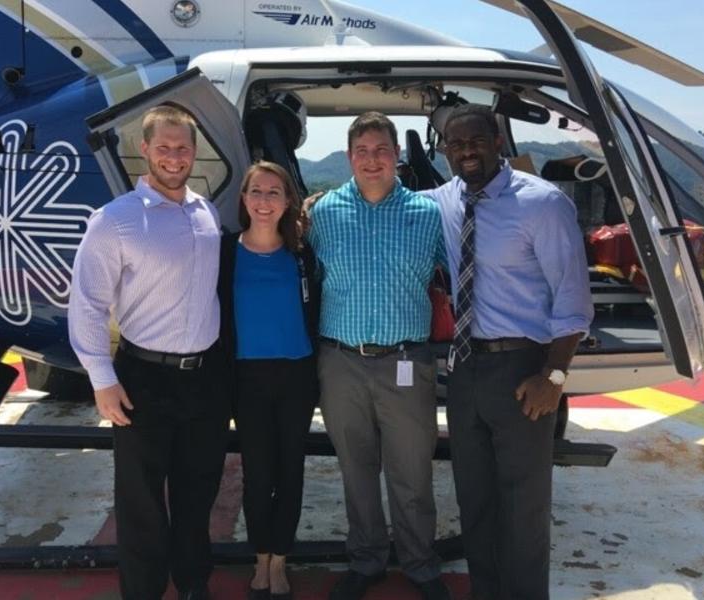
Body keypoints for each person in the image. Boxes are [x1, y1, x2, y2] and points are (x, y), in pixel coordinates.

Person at [423, 104, 593, 600]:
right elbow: (392, 203)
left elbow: (573, 301)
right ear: (446, 151)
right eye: (456, 144)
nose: (467, 151)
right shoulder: (443, 200)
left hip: (524, 368)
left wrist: (554, 378)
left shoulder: (543, 204)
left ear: (499, 142)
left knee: (524, 505)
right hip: (465, 368)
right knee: (474, 500)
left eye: (476, 140)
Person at [68, 105, 229, 600]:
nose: (175, 157)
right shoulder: (114, 221)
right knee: (140, 502)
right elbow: (87, 302)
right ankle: (143, 591)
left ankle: (193, 584)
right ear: (145, 150)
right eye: (164, 147)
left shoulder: (207, 212)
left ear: (194, 151)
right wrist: (101, 378)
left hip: (203, 378)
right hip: (143, 377)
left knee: (197, 492)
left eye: (183, 147)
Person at [307, 112, 451, 600]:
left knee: (412, 472)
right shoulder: (322, 214)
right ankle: (366, 559)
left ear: (396, 155)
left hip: (406, 361)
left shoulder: (426, 215)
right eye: (362, 151)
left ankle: (420, 564)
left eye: (382, 149)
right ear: (350, 157)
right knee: (357, 469)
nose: (373, 160)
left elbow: (456, 279)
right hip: (340, 361)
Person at [217, 161, 320, 600]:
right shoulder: (224, 253)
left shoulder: (301, 255)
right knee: (258, 473)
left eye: (274, 192)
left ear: (287, 201)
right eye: (256, 191)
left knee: (290, 470)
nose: (264, 201)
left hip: (296, 374)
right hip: (247, 377)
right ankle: (261, 559)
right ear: (243, 199)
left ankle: (281, 558)